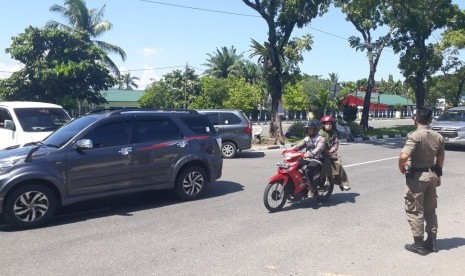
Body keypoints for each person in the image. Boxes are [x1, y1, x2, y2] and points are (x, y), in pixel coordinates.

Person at [398, 106, 445, 255]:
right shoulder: (438, 136)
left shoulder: (415, 136)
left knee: (415, 209)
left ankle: (418, 244)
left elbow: (404, 156)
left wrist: (401, 167)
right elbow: (441, 158)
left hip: (418, 178)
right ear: (430, 120)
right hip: (432, 175)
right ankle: (432, 241)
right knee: (430, 210)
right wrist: (438, 175)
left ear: (415, 119)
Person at [292, 120, 326, 197]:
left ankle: (312, 189)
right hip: (307, 159)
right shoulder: (307, 138)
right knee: (294, 165)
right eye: (308, 128)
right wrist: (289, 151)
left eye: (310, 129)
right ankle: (297, 186)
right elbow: (298, 146)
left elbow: (319, 149)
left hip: (317, 159)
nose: (308, 130)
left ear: (315, 130)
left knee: (308, 170)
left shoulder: (321, 139)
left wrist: (310, 154)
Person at [319, 115, 351, 191]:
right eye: (327, 124)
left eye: (330, 124)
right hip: (320, 153)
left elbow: (336, 144)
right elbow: (318, 144)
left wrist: (332, 150)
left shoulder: (334, 134)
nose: (328, 126)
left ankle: (344, 183)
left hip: (331, 154)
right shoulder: (320, 133)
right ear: (323, 125)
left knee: (338, 164)